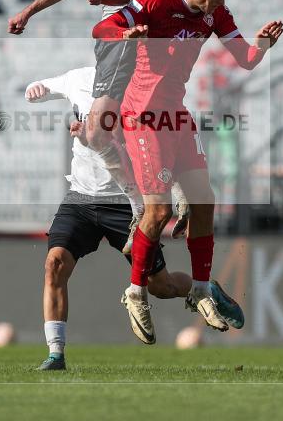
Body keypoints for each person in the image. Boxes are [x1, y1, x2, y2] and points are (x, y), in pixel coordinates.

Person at [91, 0, 283, 344]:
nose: (218, 3)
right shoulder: (158, 2)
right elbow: (101, 27)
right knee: (159, 210)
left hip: (175, 116)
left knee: (204, 202)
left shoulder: (215, 14)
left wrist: (262, 45)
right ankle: (135, 293)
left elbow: (244, 59)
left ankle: (200, 288)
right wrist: (124, 35)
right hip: (144, 116)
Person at [8, 0, 190, 253]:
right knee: (125, 120)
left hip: (130, 34)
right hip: (110, 38)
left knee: (96, 129)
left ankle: (144, 202)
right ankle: (173, 185)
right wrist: (30, 10)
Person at [25, 66, 244, 367]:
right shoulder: (79, 78)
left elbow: (164, 143)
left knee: (160, 285)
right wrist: (35, 89)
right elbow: (42, 85)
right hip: (81, 197)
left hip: (127, 203)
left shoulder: (139, 91)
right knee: (54, 264)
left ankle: (204, 287)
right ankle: (55, 353)